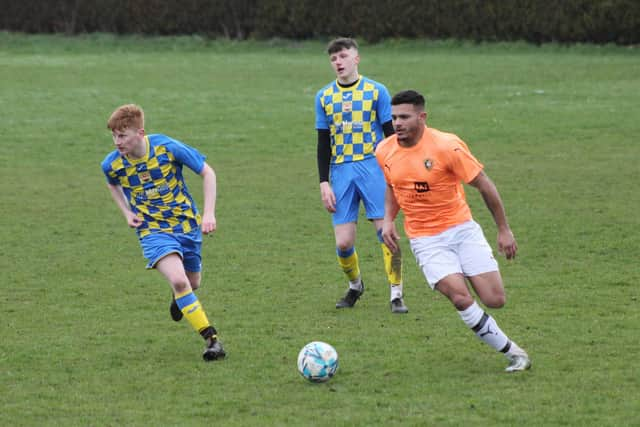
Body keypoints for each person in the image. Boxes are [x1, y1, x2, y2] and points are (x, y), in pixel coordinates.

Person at [376, 90, 531, 372]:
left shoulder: (447, 147)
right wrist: (388, 219)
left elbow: (484, 184)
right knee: (460, 297)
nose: (397, 123)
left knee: (495, 300)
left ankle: (472, 280)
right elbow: (392, 186)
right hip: (425, 239)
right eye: (394, 117)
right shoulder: (384, 150)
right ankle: (515, 353)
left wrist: (503, 229)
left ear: (422, 117)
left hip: (461, 230)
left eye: (404, 117)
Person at [100, 104, 225, 362]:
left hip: (186, 225)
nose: (117, 142)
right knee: (180, 282)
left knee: (192, 283)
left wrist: (209, 213)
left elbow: (208, 172)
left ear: (140, 133)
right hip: (152, 230)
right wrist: (126, 212)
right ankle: (212, 339)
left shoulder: (167, 148)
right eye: (113, 136)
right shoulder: (112, 164)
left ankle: (179, 297)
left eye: (122, 136)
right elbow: (112, 184)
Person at [315, 37, 407, 313]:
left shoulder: (376, 91)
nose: (338, 62)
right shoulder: (324, 97)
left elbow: (392, 137)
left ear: (356, 58)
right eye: (333, 59)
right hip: (341, 171)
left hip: (373, 169)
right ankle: (356, 286)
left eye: (343, 56)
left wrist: (395, 173)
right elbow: (323, 143)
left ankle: (396, 293)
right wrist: (323, 183)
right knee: (343, 242)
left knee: (386, 234)